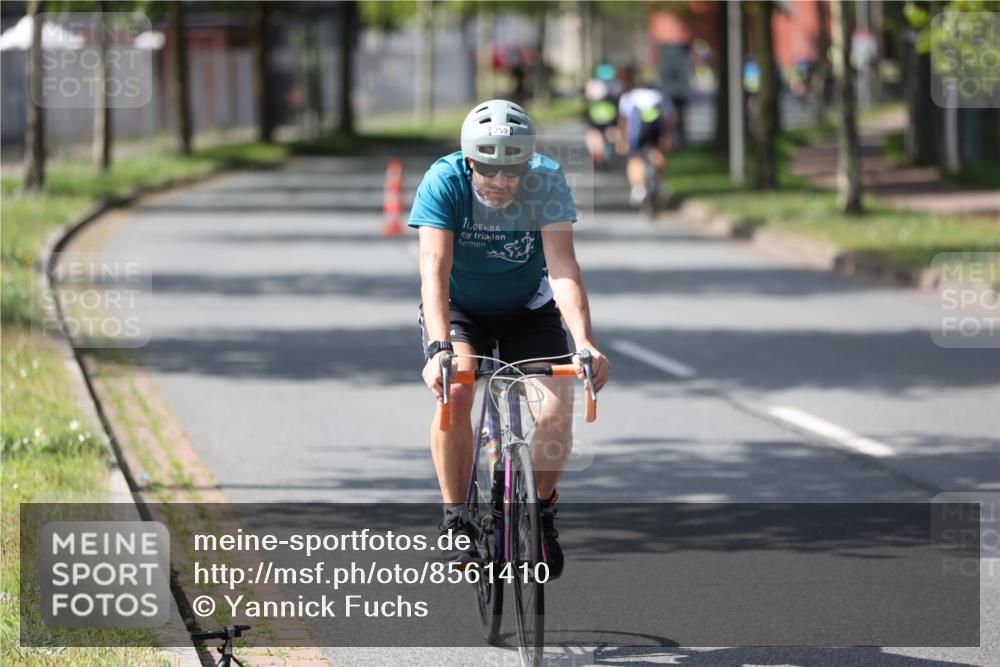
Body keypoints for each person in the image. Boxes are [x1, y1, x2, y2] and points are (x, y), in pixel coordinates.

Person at [408, 100, 612, 577]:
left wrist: (584, 341)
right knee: (458, 387)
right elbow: (433, 270)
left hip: (528, 308)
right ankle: (455, 517)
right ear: (470, 160)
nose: (502, 182)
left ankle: (539, 514)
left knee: (558, 413)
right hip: (461, 309)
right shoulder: (444, 181)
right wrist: (439, 347)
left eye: (513, 169)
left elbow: (562, 266)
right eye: (490, 169)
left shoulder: (546, 180)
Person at [617, 77, 676, 207]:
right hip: (656, 128)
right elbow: (669, 119)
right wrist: (667, 138)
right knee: (658, 152)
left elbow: (624, 121)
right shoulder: (661, 96)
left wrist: (622, 140)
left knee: (635, 158)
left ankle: (638, 189)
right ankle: (659, 182)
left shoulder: (628, 97)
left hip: (637, 127)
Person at [583, 63, 623, 168]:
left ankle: (597, 154)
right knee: (612, 133)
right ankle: (610, 152)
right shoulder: (617, 84)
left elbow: (587, 98)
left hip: (594, 115)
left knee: (594, 134)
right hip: (611, 115)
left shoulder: (592, 84)